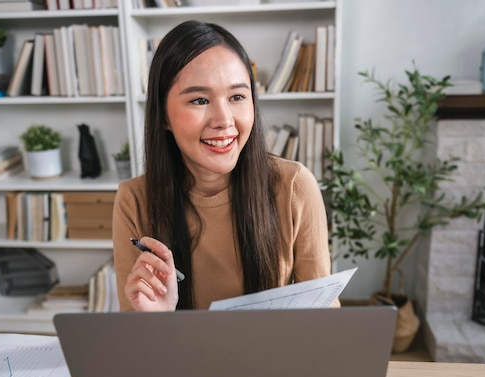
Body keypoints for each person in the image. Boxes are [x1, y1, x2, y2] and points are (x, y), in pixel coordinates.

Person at [113, 20, 335, 312]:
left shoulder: (294, 186)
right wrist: (159, 320)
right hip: (181, 357)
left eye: (237, 97)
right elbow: (138, 346)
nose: (224, 120)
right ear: (163, 117)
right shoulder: (135, 200)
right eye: (200, 99)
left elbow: (324, 321)